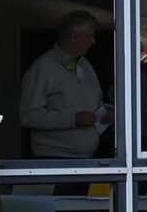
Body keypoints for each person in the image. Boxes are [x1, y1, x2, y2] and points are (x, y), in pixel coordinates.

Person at [19, 9, 108, 159]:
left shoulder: (86, 66)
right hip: (54, 162)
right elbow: (29, 116)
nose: (93, 41)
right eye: (89, 36)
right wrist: (73, 119)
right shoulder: (43, 68)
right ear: (74, 36)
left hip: (87, 160)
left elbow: (96, 103)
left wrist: (106, 112)